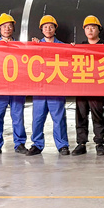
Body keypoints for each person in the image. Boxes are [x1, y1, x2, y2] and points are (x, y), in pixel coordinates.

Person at [28, 15, 70, 156]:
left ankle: (62, 145)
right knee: (37, 118)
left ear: (55, 29)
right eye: (45, 27)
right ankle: (37, 144)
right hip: (39, 88)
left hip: (56, 88)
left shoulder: (63, 46)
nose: (48, 29)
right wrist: (33, 46)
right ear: (41, 29)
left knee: (59, 118)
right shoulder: (35, 45)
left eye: (51, 27)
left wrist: (73, 48)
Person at [0, 13, 28, 156]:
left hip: (17, 87)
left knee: (18, 117)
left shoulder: (21, 46)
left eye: (10, 26)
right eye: (4, 26)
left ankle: (20, 143)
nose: (7, 28)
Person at [72, 15, 104, 156]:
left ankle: (99, 143)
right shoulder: (80, 47)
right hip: (82, 87)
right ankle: (81, 143)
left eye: (93, 28)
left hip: (98, 88)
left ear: (99, 30)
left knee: (97, 115)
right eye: (87, 28)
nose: (90, 30)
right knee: (80, 115)